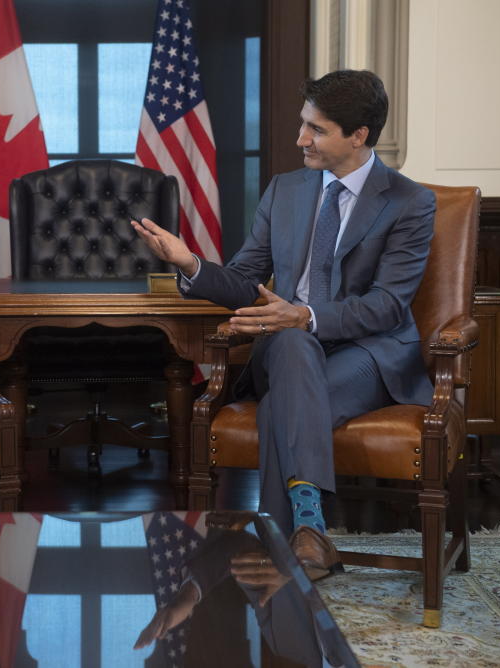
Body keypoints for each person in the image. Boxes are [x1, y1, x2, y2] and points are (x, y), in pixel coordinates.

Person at [132, 70, 435, 583]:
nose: (300, 139)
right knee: (293, 344)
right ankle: (310, 528)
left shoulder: (409, 201)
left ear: (358, 135)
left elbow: (387, 305)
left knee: (284, 403)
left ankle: (288, 539)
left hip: (367, 353)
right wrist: (190, 266)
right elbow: (247, 280)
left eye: (315, 130)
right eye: (303, 125)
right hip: (286, 349)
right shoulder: (285, 190)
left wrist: (307, 314)